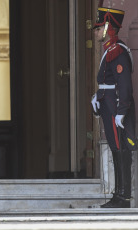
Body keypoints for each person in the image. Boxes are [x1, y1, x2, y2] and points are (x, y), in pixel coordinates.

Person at [91, 7, 137, 208]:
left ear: (107, 28)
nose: (95, 31)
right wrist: (97, 96)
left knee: (121, 148)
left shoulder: (117, 51)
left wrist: (122, 111)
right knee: (115, 148)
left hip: (115, 107)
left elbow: (124, 84)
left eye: (98, 27)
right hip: (108, 105)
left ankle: (124, 196)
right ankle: (119, 194)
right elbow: (107, 81)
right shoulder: (109, 50)